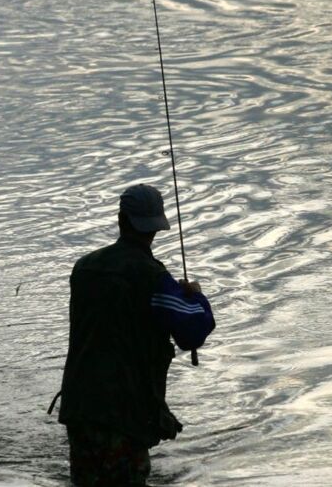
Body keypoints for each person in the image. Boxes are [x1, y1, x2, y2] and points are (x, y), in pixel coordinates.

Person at [50, 184, 215, 486]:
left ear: (120, 219)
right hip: (125, 414)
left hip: (80, 406)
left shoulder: (84, 268)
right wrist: (196, 296)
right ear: (156, 228)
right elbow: (192, 334)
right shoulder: (153, 278)